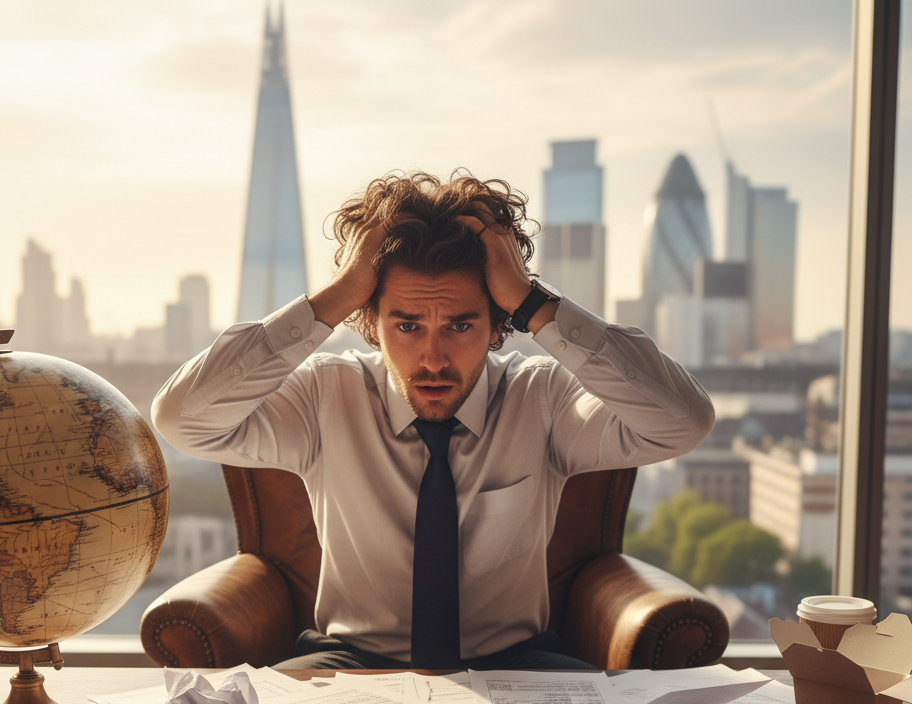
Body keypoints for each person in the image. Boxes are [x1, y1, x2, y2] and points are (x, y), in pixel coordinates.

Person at [152, 171, 714, 672]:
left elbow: (683, 422)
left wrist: (529, 298)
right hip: (353, 660)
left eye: (461, 326)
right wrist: (340, 293)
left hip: (516, 662)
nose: (433, 359)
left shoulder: (542, 397)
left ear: (498, 324)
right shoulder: (326, 393)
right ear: (371, 322)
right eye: (407, 325)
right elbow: (181, 419)